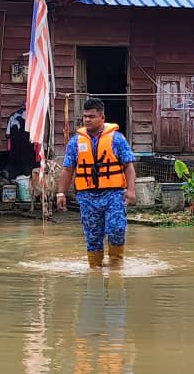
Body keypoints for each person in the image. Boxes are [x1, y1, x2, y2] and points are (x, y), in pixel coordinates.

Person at [56, 97, 137, 269]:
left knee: (117, 228)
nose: (87, 120)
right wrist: (61, 193)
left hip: (114, 194)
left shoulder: (117, 139)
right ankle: (95, 269)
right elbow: (68, 169)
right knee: (92, 235)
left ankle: (116, 264)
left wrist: (131, 191)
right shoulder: (75, 142)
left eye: (91, 116)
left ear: (102, 117)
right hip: (87, 196)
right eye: (85, 116)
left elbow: (128, 166)